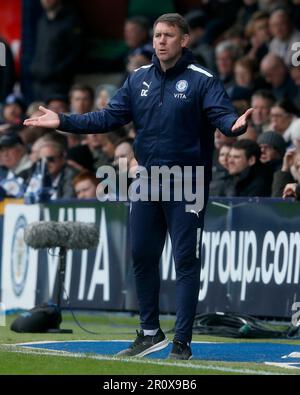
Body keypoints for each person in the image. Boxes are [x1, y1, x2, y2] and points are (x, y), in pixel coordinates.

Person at [24, 13, 252, 360]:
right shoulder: (138, 79)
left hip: (187, 183)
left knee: (185, 262)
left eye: (169, 35)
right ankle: (149, 333)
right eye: (157, 35)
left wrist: (234, 127)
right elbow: (107, 117)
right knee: (142, 255)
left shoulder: (202, 80)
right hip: (147, 181)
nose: (161, 41)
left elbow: (222, 117)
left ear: (184, 40)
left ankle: (182, 343)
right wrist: (64, 121)